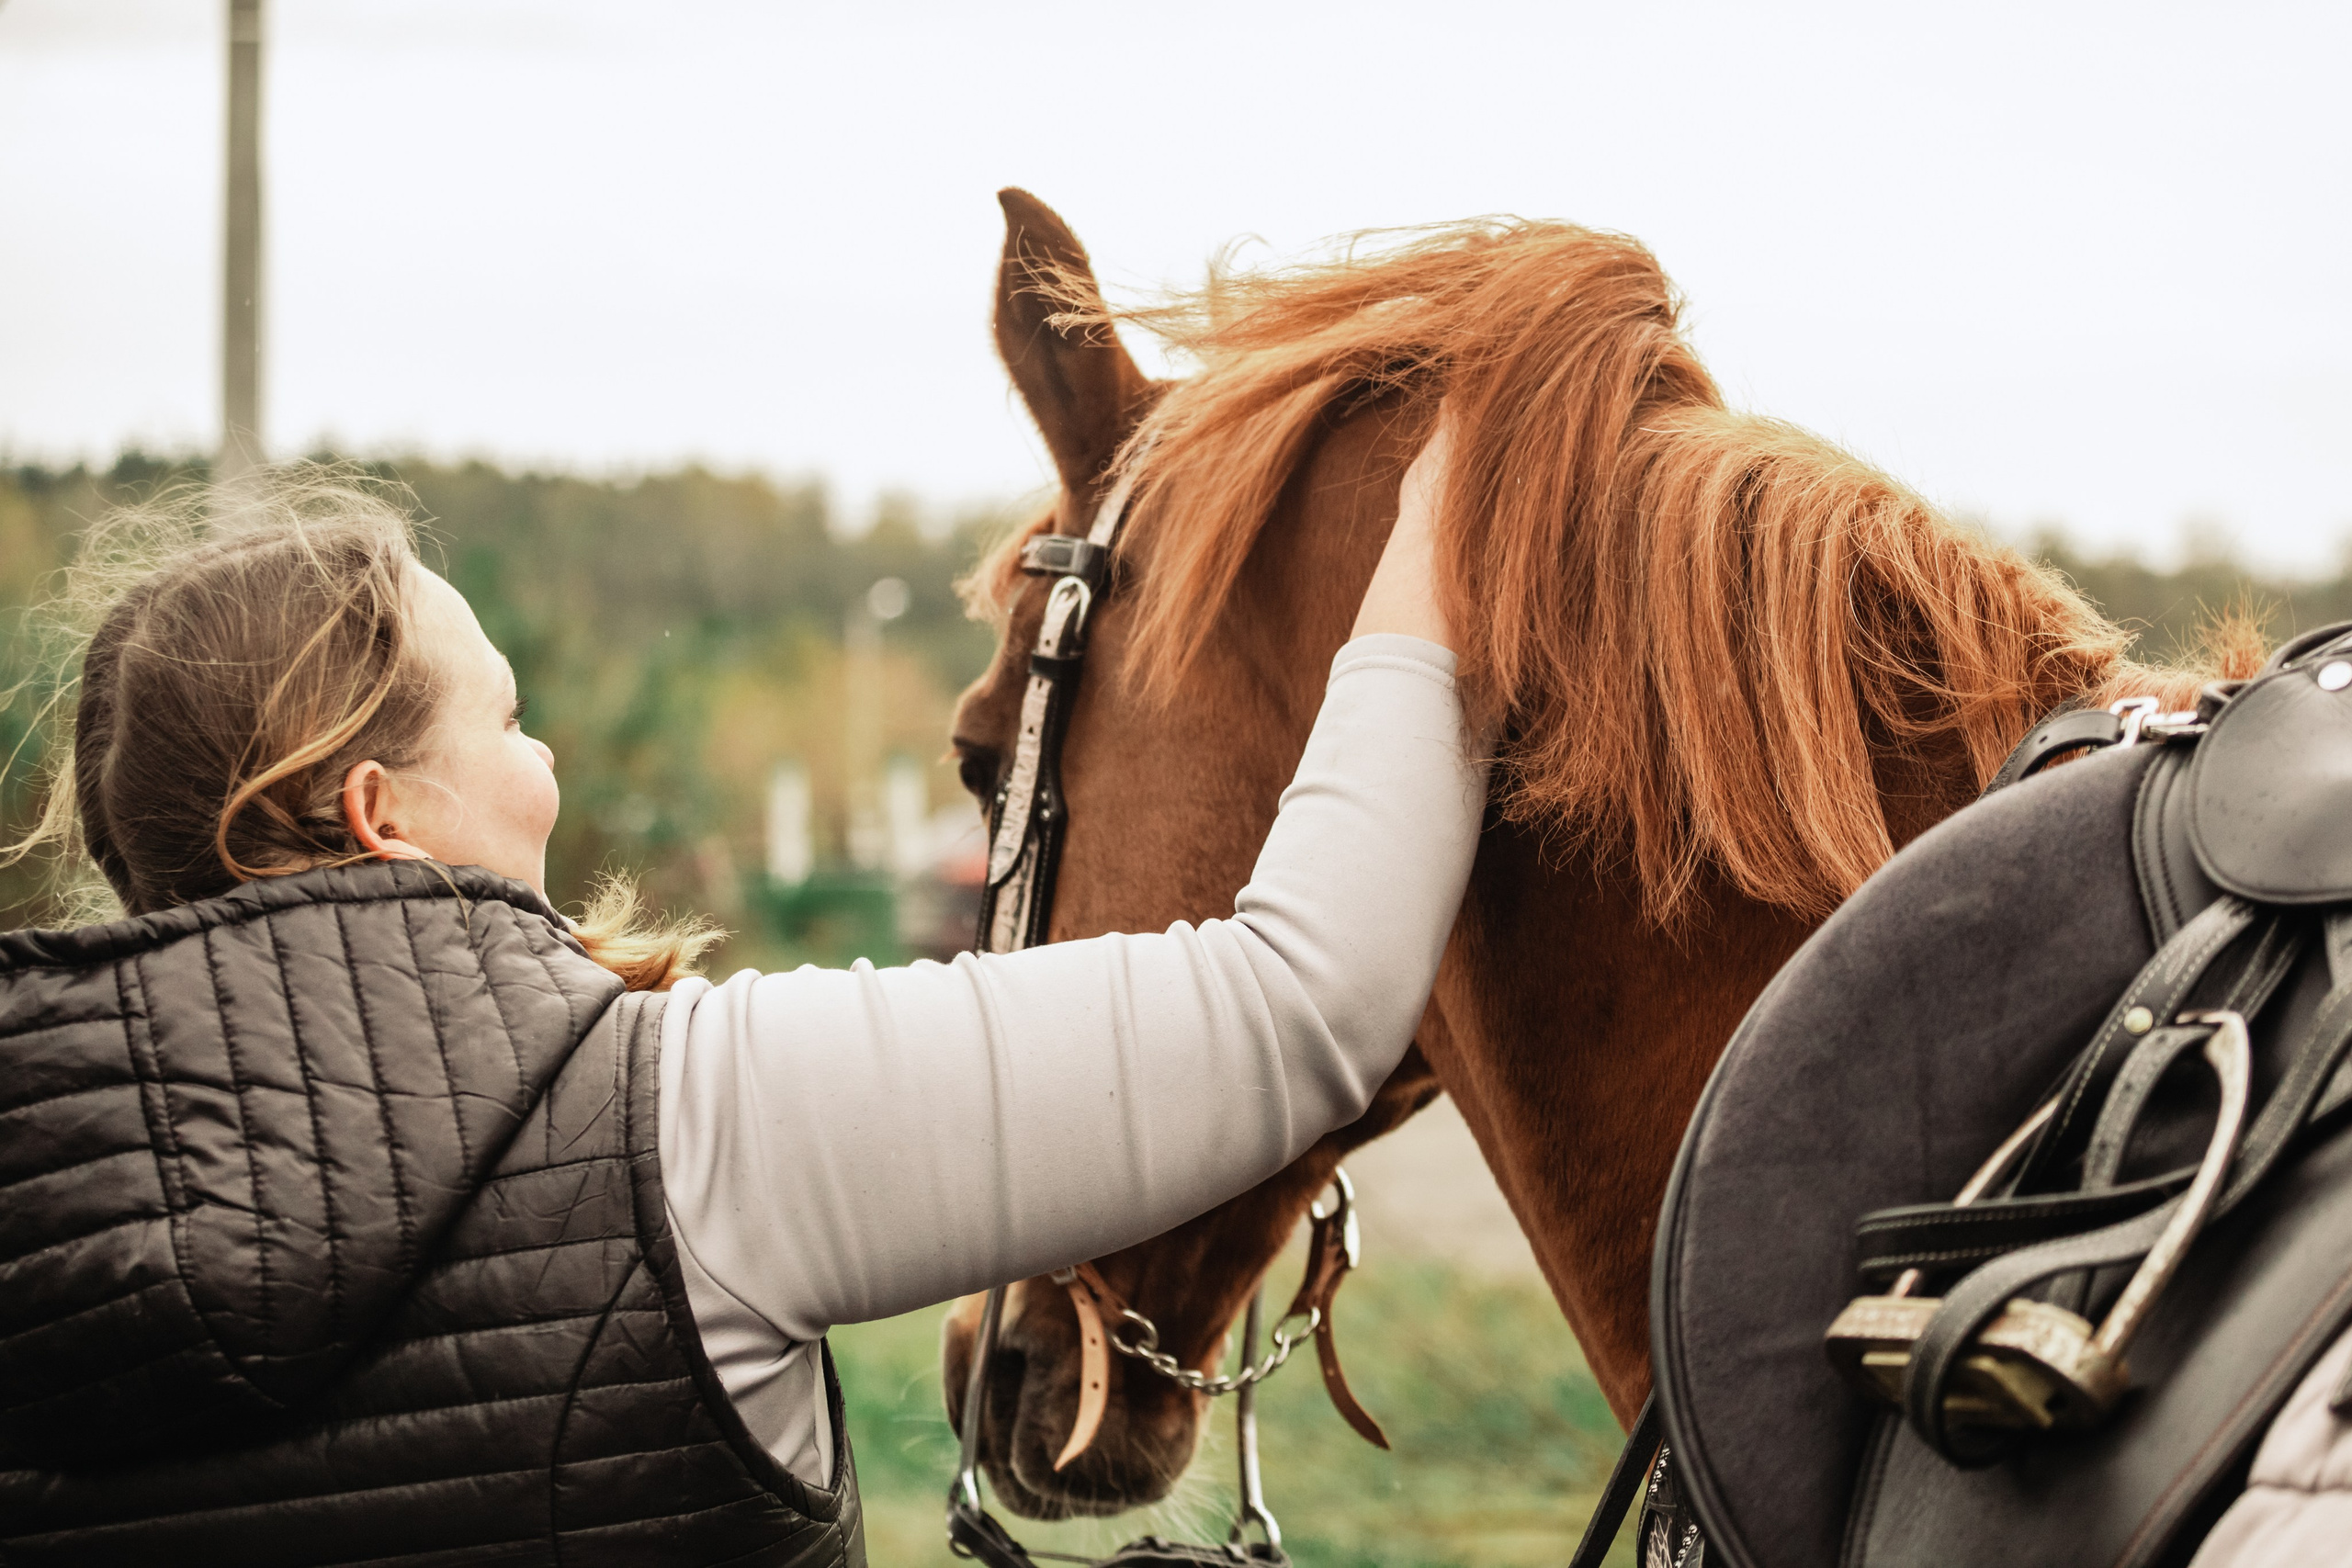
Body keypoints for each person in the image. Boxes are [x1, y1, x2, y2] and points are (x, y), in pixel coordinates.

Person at [0, 427, 1481, 1567]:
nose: (549, 766)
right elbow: (1302, 1004)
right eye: (511, 721)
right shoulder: (697, 1124)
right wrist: (1448, 512)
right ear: (382, 814)